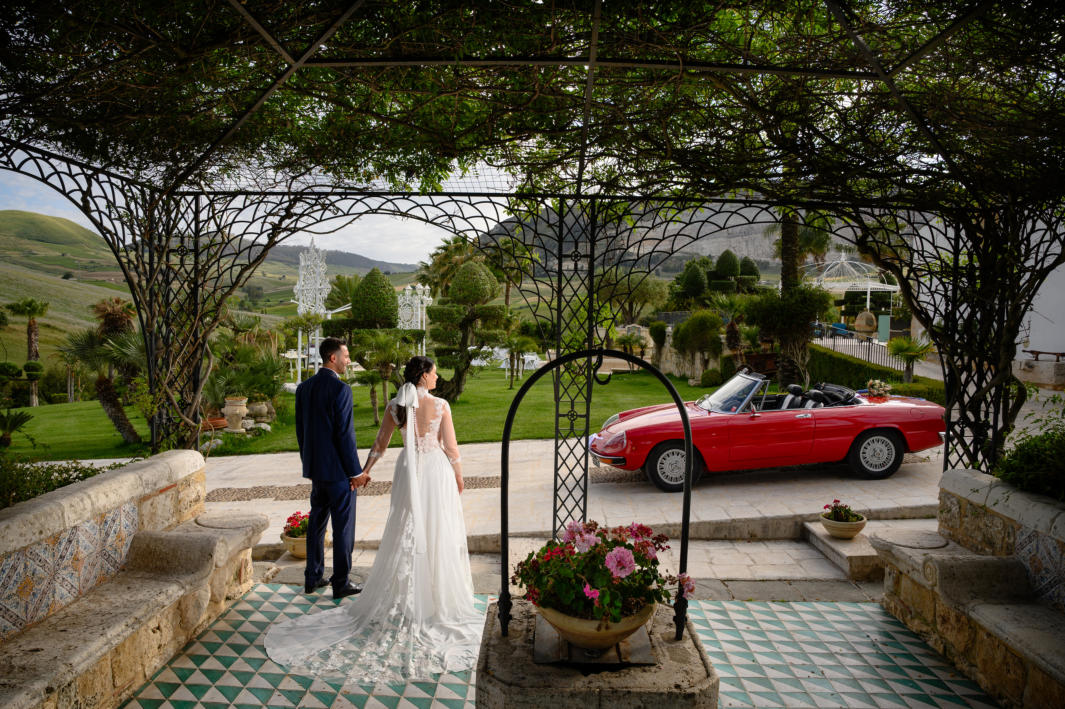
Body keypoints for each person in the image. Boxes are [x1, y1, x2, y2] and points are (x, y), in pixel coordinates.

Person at [265, 355, 482, 686]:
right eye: (434, 373)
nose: (438, 377)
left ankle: (411, 594)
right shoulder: (440, 406)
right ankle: (436, 597)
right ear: (423, 376)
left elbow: (380, 444)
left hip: (409, 470)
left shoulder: (397, 406)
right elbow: (450, 448)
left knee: (405, 530)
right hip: (435, 472)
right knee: (438, 531)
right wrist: (459, 475)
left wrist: (364, 472)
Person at [294, 337, 370, 600]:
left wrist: (310, 464)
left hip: (316, 471)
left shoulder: (304, 388)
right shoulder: (341, 390)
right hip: (339, 474)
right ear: (333, 358)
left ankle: (312, 577)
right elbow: (344, 435)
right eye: (346, 356)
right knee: (343, 528)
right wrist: (356, 473)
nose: (348, 361)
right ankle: (341, 583)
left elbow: (300, 432)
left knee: (316, 523)